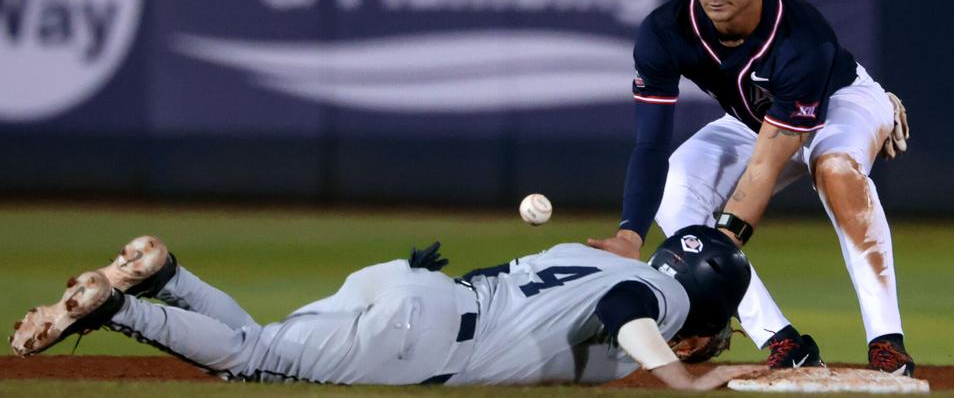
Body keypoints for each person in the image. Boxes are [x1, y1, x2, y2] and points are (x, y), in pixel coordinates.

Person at [588, 0, 913, 375]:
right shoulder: (665, 31)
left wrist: (718, 254)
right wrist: (629, 235)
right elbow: (651, 147)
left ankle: (887, 342)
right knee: (675, 188)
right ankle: (783, 342)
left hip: (840, 103)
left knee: (835, 169)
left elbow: (766, 164)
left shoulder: (803, 36)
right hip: (755, 119)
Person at [11, 229, 761, 389]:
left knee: (258, 339)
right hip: (425, 341)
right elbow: (632, 307)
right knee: (250, 360)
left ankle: (166, 274)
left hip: (414, 287)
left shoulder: (603, 255)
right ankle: (117, 309)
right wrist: (682, 380)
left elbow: (616, 289)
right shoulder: (660, 297)